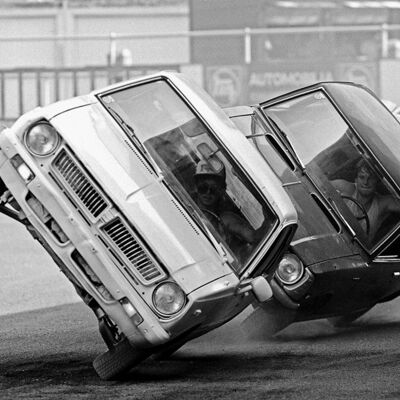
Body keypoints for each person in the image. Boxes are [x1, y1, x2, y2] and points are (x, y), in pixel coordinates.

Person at [194, 160, 269, 260]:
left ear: (221, 191)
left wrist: (268, 219)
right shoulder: (183, 204)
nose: (207, 193)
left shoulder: (226, 219)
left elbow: (253, 237)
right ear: (195, 187)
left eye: (213, 189)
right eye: (203, 188)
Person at [332, 159, 400, 240]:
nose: (365, 182)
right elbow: (319, 183)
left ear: (378, 181)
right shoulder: (344, 187)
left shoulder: (383, 203)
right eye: (362, 177)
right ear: (356, 179)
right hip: (332, 234)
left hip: (357, 249)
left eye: (371, 178)